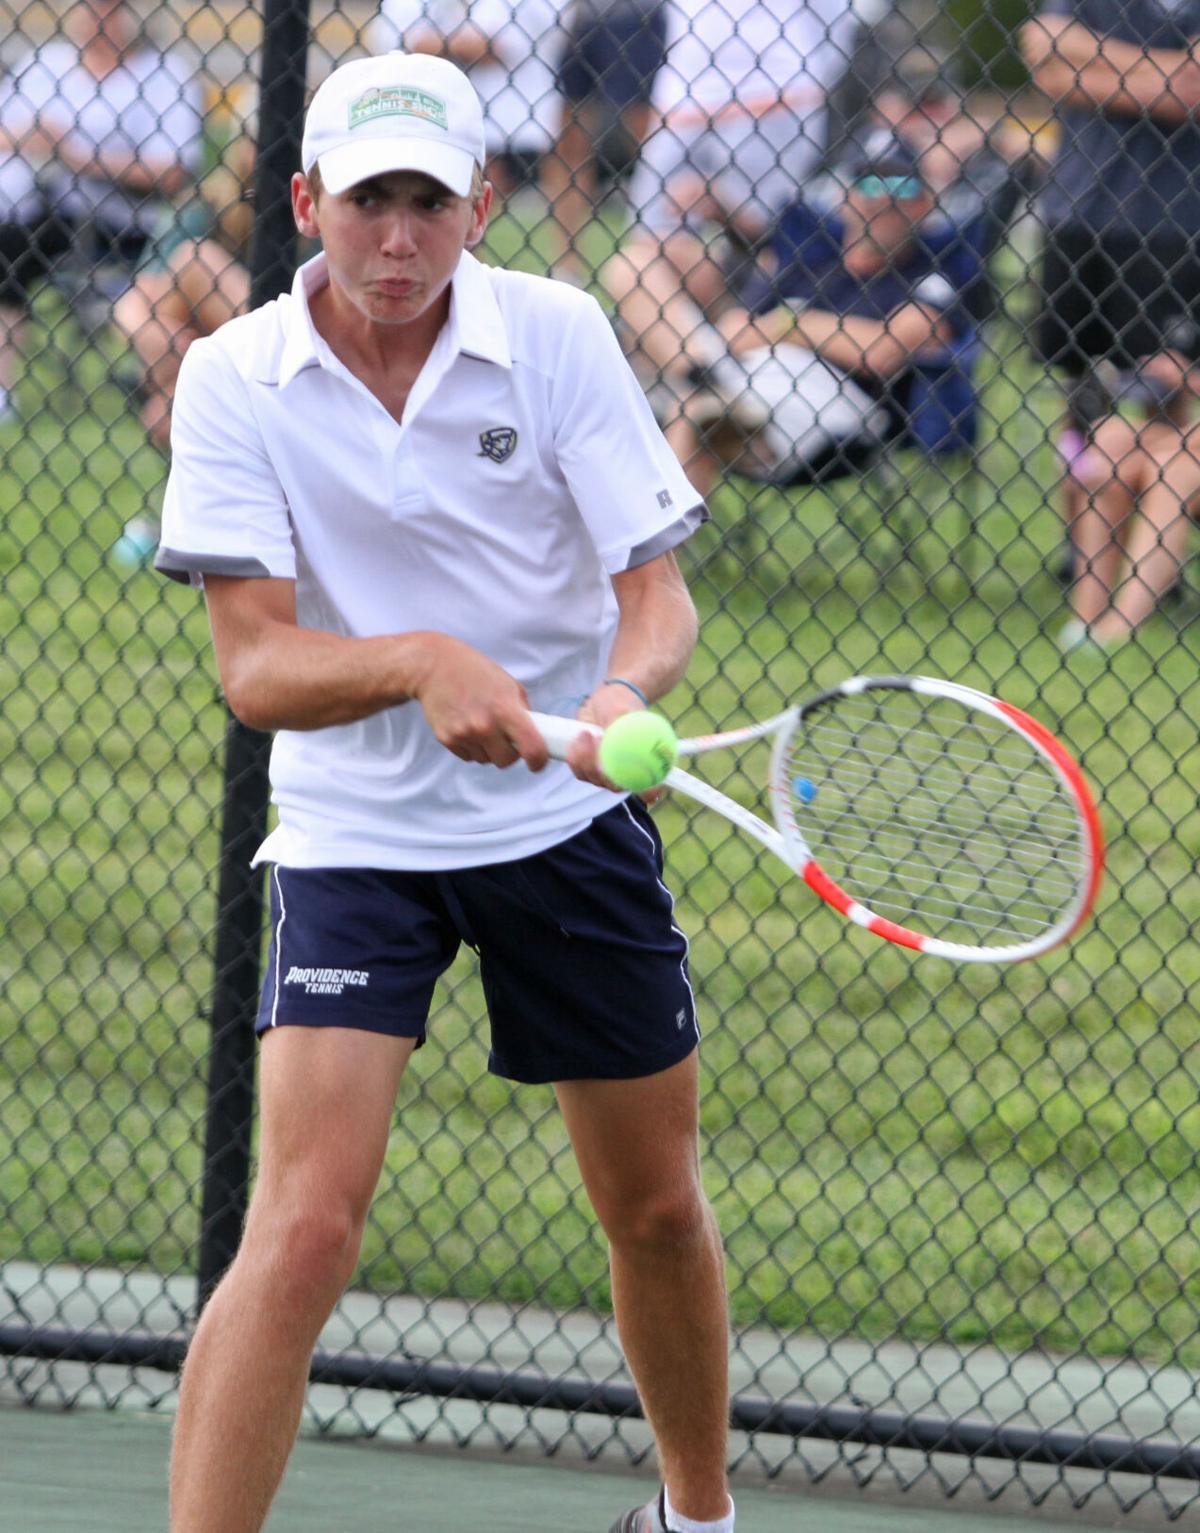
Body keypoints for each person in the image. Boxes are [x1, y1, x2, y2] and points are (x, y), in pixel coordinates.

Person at [155, 50, 735, 1533]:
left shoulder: (558, 336)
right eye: (365, 205)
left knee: (656, 1210)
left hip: (563, 814)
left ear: (482, 204)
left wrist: (613, 698)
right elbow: (256, 670)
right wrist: (420, 663)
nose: (396, 241)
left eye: (427, 202)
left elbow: (653, 600)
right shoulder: (234, 375)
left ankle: (694, 1515)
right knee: (299, 1228)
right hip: (355, 834)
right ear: (307, 204)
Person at [609, 132, 979, 497]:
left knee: (695, 409)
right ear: (844, 197)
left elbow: (881, 351)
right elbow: (735, 331)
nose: (881, 199)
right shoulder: (813, 260)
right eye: (867, 184)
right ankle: (702, 382)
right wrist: (814, 331)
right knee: (632, 266)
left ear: (925, 204)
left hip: (830, 410)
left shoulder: (933, 272)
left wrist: (791, 322)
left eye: (900, 186)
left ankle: (703, 391)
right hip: (744, 375)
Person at [1021, 0, 1200, 646]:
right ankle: (1086, 557)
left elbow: (1193, 93)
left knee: (1166, 397)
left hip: (1173, 221)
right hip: (1079, 212)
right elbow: (1043, 58)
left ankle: (1157, 557)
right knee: (1082, 395)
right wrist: (1162, 70)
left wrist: (1092, 60)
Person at [0, 0, 202, 423]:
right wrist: (29, 139)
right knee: (12, 242)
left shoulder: (163, 75)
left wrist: (76, 155)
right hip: (37, 207)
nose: (96, 16)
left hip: (121, 222)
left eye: (110, 7)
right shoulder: (48, 65)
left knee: (13, 244)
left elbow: (173, 171)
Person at [111, 133, 254, 451]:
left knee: (200, 262)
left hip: (276, 347)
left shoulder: (330, 207)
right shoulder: (208, 203)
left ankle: (186, 396)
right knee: (194, 260)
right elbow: (132, 304)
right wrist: (159, 335)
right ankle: (192, 391)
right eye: (255, 142)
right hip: (205, 345)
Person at [370, 0, 564, 197]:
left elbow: (497, 45)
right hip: (427, 110)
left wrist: (436, 44)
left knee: (483, 188)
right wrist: (458, 43)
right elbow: (393, 41)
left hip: (512, 117)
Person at [542, 0, 669, 284]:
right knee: (568, 140)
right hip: (582, 15)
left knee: (645, 138)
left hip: (641, 15)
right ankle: (566, 264)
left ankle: (652, 261)